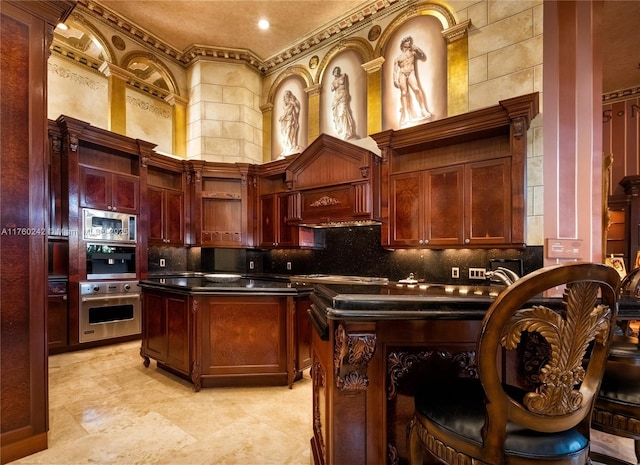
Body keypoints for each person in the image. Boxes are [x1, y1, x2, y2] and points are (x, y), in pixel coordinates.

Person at [393, 35, 432, 127]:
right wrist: (395, 79)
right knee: (403, 93)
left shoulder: (412, 52)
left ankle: (423, 109)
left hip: (410, 72)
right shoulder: (398, 58)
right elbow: (395, 71)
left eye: (409, 41)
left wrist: (418, 49)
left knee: (416, 89)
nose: (409, 42)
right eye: (407, 41)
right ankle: (406, 114)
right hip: (402, 74)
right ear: (403, 44)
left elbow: (422, 56)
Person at [330, 66, 356, 140]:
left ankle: (347, 131)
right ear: (333, 72)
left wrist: (347, 95)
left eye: (338, 70)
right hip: (336, 98)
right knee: (336, 114)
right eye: (335, 71)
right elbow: (332, 88)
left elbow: (345, 86)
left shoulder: (343, 76)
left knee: (343, 113)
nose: (337, 72)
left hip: (343, 96)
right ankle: (340, 129)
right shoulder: (333, 82)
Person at [278, 90, 301, 157]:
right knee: (284, 134)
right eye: (284, 97)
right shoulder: (285, 104)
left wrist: (293, 104)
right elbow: (286, 112)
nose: (284, 98)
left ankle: (290, 147)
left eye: (286, 96)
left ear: (289, 96)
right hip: (284, 121)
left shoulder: (294, 102)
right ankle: (286, 148)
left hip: (291, 120)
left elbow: (297, 111)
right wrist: (282, 117)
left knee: (288, 134)